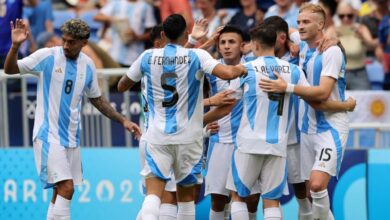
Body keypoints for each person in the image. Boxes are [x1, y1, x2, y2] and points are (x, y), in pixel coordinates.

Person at [4, 18, 141, 220]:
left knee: (60, 192)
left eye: (72, 42)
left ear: (84, 43)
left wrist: (123, 121)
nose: (66, 45)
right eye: (64, 40)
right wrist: (15, 46)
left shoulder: (88, 66)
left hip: (71, 138)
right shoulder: (47, 56)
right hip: (47, 135)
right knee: (67, 188)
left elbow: (97, 100)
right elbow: (10, 69)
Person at [118, 14, 246, 220]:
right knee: (186, 199)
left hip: (156, 136)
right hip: (188, 138)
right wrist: (245, 67)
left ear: (162, 34)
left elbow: (121, 85)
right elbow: (228, 73)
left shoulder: (147, 57)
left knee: (154, 194)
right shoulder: (197, 57)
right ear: (186, 33)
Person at [259, 3, 349, 220]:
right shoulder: (301, 41)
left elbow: (322, 93)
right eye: (299, 22)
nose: (300, 26)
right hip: (307, 130)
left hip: (331, 127)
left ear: (321, 25)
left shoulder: (332, 51)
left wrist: (287, 87)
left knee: (317, 185)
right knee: (309, 193)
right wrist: (290, 38)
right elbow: (284, 31)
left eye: (306, 22)